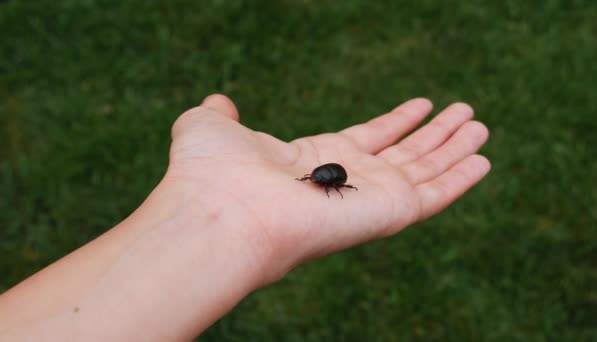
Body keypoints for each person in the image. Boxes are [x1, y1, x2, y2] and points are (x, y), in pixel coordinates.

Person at [0, 94, 490, 340]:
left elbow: (331, 177)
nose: (320, 186)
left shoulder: (328, 178)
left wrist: (213, 216)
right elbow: (324, 178)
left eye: (323, 184)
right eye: (320, 184)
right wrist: (228, 216)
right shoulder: (321, 179)